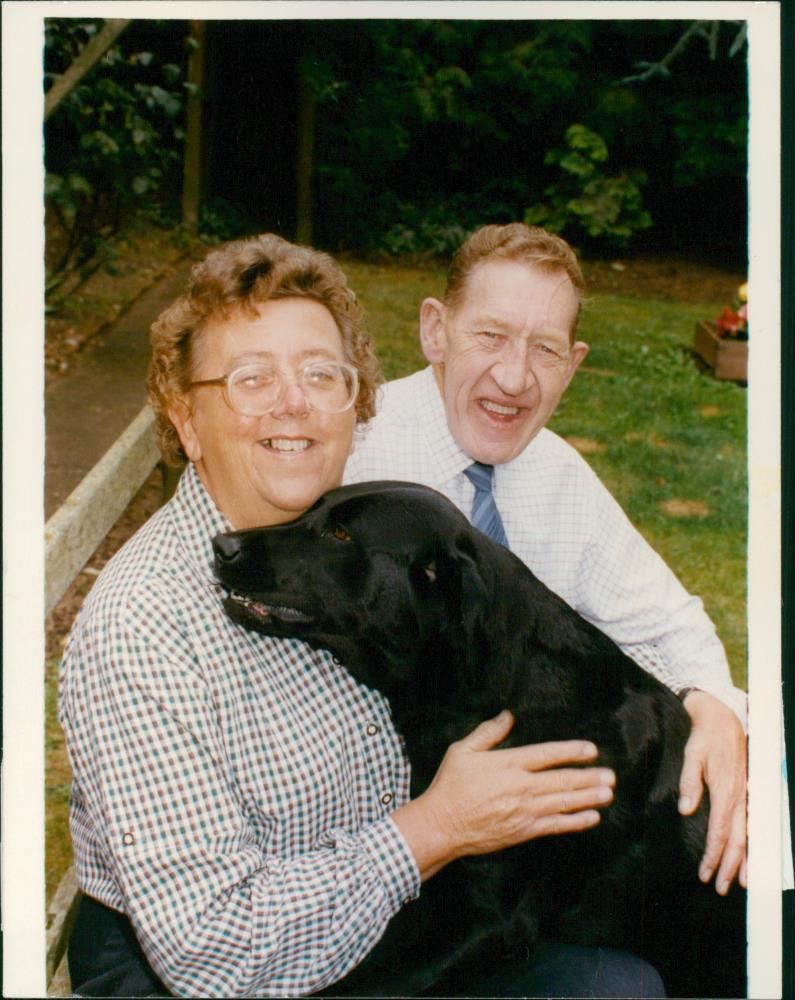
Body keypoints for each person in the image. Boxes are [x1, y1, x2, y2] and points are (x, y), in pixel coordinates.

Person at [59, 233, 665, 998]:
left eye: (322, 374)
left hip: (371, 908)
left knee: (623, 983)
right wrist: (433, 830)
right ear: (186, 420)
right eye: (252, 378)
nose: (295, 402)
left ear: (358, 403)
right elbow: (213, 949)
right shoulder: (144, 627)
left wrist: (707, 703)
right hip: (208, 967)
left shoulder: (342, 539)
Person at [344, 222, 748, 898]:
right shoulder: (354, 462)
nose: (513, 377)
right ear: (434, 330)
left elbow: (668, 621)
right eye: (490, 336)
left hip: (521, 846)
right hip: (381, 851)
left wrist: (713, 707)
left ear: (573, 364)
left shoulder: (552, 475)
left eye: (544, 349)